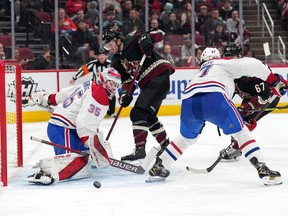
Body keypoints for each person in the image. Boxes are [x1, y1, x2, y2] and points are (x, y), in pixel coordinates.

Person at [148, 47, 288, 186]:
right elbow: (254, 64)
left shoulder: (200, 72)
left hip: (188, 100)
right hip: (214, 96)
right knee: (241, 132)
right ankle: (263, 170)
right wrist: (275, 80)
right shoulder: (222, 63)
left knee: (186, 139)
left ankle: (159, 165)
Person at [26, 68, 121, 185]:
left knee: (85, 158)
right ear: (103, 80)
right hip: (61, 128)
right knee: (78, 166)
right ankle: (47, 172)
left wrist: (49, 99)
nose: (113, 87)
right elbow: (84, 123)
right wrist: (92, 144)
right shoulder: (100, 94)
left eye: (116, 84)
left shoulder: (90, 84)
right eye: (111, 83)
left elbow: (65, 93)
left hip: (69, 129)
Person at [102, 27, 175, 161]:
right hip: (149, 83)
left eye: (110, 44)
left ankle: (140, 150)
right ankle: (166, 146)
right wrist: (124, 95)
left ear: (118, 40)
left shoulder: (132, 38)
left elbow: (159, 33)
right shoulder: (116, 61)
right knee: (148, 117)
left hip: (159, 75)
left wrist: (145, 39)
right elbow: (127, 80)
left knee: (137, 113)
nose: (109, 48)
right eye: (106, 46)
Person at [69, 49, 115, 117]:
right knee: (90, 98)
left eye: (103, 55)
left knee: (112, 97)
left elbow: (116, 73)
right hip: (96, 87)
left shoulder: (110, 64)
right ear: (97, 56)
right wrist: (74, 78)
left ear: (105, 56)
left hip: (107, 87)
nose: (101, 57)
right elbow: (83, 70)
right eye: (100, 55)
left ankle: (111, 112)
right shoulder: (93, 64)